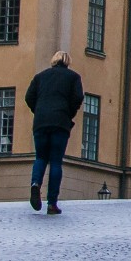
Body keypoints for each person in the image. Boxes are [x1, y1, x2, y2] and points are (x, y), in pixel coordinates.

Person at [24, 51, 84, 214]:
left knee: (41, 157)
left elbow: (29, 97)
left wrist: (38, 110)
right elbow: (78, 97)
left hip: (41, 122)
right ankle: (52, 203)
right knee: (56, 161)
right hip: (60, 123)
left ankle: (35, 184)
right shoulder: (73, 77)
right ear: (68, 62)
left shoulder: (40, 77)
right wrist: (68, 112)